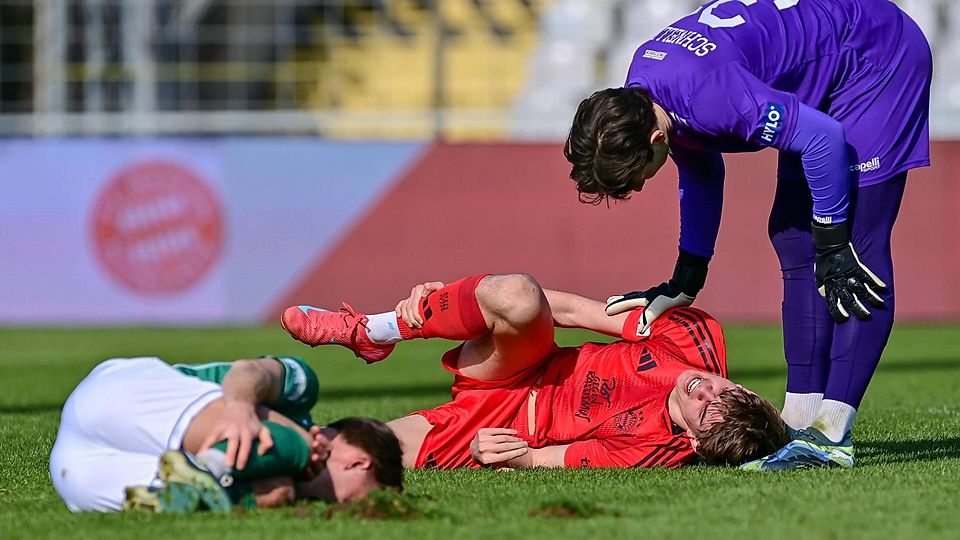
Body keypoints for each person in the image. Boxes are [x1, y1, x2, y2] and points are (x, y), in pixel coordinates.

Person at [563, 0, 930, 469]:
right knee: (794, 236)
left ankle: (832, 434)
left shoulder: (710, 96)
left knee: (855, 246)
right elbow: (700, 167)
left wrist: (834, 242)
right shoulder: (647, 91)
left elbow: (823, 139)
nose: (638, 187)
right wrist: (687, 277)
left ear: (654, 140)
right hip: (827, 70)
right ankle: (799, 421)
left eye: (635, 178)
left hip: (876, 57)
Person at [282, 273, 789, 469]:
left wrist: (509, 456)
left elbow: (555, 457)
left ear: (695, 441)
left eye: (703, 409)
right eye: (722, 389)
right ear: (740, 386)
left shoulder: (656, 451)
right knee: (519, 295)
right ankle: (376, 330)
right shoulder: (694, 337)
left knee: (345, 454)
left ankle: (250, 440)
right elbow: (574, 311)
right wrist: (444, 307)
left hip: (501, 424)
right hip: (521, 361)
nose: (702, 389)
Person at [49, 354, 403, 513]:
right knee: (294, 443)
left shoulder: (286, 486)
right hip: (124, 400)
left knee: (279, 490)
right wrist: (240, 407)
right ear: (360, 462)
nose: (342, 506)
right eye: (359, 499)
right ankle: (208, 470)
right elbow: (251, 370)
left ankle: (191, 483)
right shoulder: (301, 393)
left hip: (84, 480)